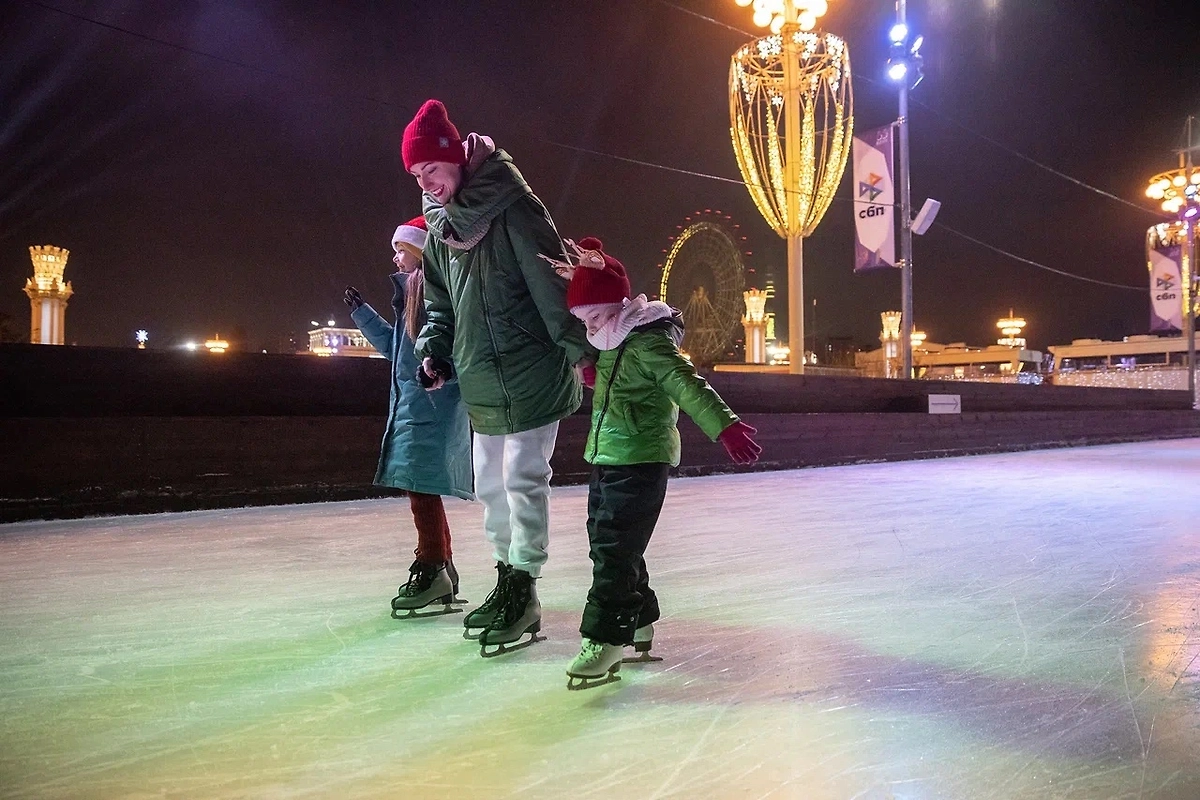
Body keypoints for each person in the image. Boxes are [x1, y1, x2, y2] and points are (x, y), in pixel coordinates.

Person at [401, 99, 595, 657]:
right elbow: (440, 303)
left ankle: (524, 587)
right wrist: (437, 353)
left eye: (431, 169)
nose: (427, 184)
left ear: (456, 157)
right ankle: (506, 575)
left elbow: (552, 286)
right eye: (417, 176)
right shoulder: (441, 227)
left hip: (532, 369)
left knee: (522, 480)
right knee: (489, 485)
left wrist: (583, 354)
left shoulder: (514, 207)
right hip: (482, 376)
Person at [548, 237, 761, 690]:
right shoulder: (611, 342)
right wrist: (595, 369)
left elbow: (685, 383)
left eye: (594, 316)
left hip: (641, 458)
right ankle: (639, 619)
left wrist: (724, 425)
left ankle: (606, 639)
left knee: (614, 549)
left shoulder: (647, 343)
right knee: (609, 542)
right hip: (607, 454)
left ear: (617, 305)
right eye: (583, 320)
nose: (589, 326)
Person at [343, 216, 474, 619]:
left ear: (421, 252)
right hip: (413, 405)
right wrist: (363, 314)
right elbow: (397, 350)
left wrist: (438, 376)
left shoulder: (436, 298)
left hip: (429, 406)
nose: (395, 258)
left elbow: (451, 352)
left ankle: (433, 567)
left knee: (421, 489)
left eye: (401, 250)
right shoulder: (412, 298)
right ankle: (443, 567)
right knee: (422, 489)